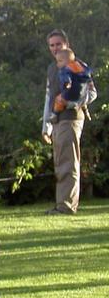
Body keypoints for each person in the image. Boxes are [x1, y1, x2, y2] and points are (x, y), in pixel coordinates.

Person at [42, 31, 97, 215]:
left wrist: (72, 103)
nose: (55, 48)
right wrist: (46, 126)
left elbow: (92, 93)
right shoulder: (52, 68)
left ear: (66, 43)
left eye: (58, 44)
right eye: (52, 45)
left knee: (68, 162)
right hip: (56, 119)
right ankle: (62, 204)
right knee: (60, 162)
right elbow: (49, 98)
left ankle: (66, 206)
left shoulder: (78, 66)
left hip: (71, 118)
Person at [52, 48, 92, 113]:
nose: (57, 64)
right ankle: (84, 109)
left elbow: (66, 77)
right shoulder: (80, 66)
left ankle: (55, 113)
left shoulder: (65, 69)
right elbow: (88, 73)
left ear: (68, 61)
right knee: (81, 98)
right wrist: (89, 80)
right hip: (82, 94)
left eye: (60, 61)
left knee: (58, 100)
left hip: (70, 94)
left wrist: (67, 83)